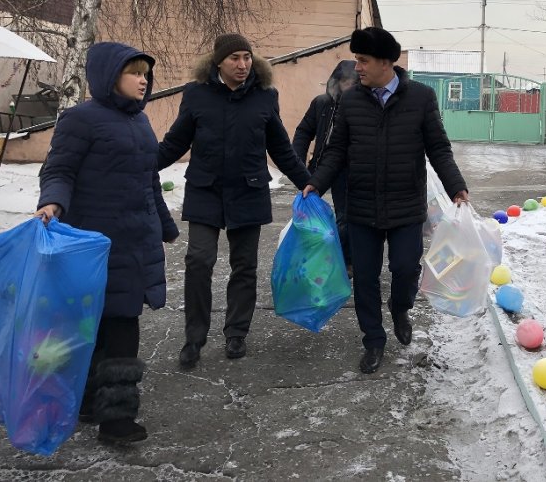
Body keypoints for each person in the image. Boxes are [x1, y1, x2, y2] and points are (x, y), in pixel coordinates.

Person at [36, 42, 179, 444]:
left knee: (118, 325)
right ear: (109, 77)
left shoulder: (141, 121)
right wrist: (52, 202)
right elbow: (59, 169)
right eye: (134, 73)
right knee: (96, 328)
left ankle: (109, 414)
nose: (143, 81)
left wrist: (164, 225)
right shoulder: (80, 119)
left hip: (134, 244)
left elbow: (149, 180)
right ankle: (98, 408)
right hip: (93, 244)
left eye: (145, 74)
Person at [303, 27, 468, 374]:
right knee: (364, 278)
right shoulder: (351, 100)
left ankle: (400, 307)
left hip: (406, 206)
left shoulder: (421, 98)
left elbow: (438, 148)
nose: (357, 68)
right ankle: (374, 341)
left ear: (385, 63)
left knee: (406, 269)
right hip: (362, 206)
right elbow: (336, 151)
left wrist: (456, 186)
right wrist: (316, 183)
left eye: (363, 61)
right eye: (357, 60)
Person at [157, 34, 310, 370]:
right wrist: (141, 166)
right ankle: (194, 338)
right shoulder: (196, 94)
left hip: (248, 191)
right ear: (218, 62)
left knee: (244, 266)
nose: (242, 65)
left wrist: (308, 182)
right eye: (234, 58)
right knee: (198, 261)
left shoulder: (265, 96)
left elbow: (280, 148)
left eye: (247, 57)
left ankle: (237, 332)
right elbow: (175, 142)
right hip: (205, 190)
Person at [292, 60, 358, 277]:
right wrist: (297, 161)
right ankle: (306, 256)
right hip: (320, 167)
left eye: (353, 82)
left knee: (344, 216)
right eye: (344, 81)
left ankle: (347, 261)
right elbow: (304, 131)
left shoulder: (361, 106)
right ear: (336, 81)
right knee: (306, 211)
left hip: (348, 170)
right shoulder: (321, 103)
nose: (348, 85)